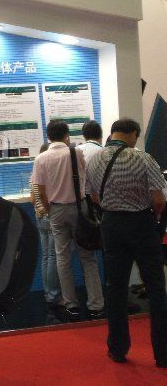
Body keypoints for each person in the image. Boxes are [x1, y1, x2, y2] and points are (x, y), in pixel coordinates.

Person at [86, 119, 167, 367]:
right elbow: (159, 199)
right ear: (133, 134)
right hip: (141, 223)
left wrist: (113, 207)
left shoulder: (95, 160)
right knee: (156, 288)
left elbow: (93, 196)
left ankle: (117, 348)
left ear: (113, 133)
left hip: (111, 225)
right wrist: (153, 216)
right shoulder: (143, 158)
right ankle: (163, 353)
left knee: (116, 287)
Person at [32, 121, 105, 321]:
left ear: (48, 137)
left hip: (56, 210)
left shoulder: (41, 158)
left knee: (62, 258)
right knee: (87, 257)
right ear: (67, 135)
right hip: (79, 209)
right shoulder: (76, 152)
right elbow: (85, 178)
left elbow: (40, 191)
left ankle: (71, 304)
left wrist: (50, 210)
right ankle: (96, 305)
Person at [31, 142, 62, 311]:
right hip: (50, 217)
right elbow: (47, 196)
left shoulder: (34, 173)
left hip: (39, 216)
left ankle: (48, 293)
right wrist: (50, 212)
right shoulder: (47, 174)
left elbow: (33, 198)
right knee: (53, 257)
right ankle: (53, 295)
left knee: (45, 257)